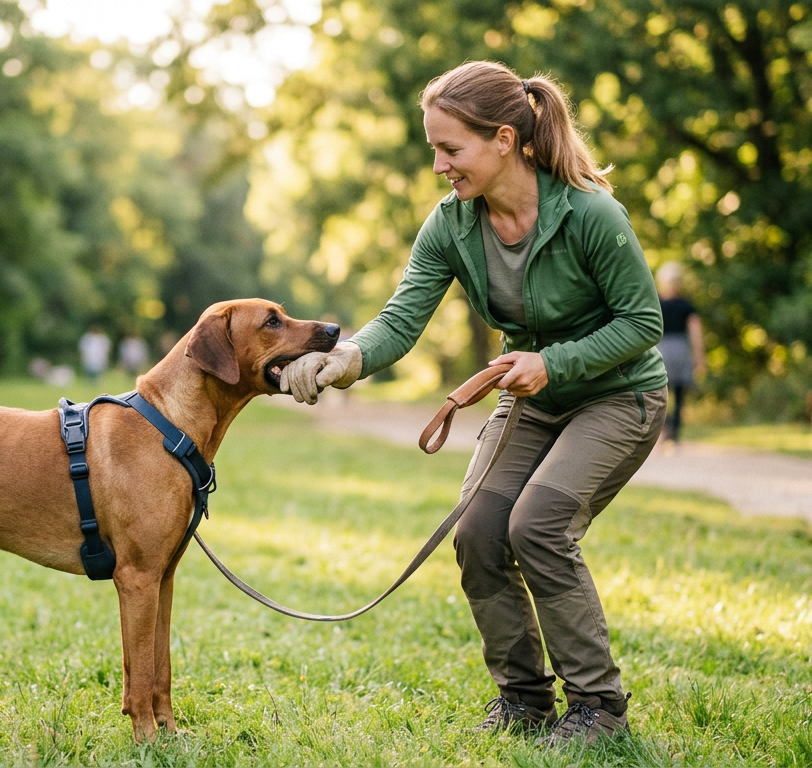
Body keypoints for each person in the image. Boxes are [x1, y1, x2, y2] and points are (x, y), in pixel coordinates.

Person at [279, 61, 667, 747]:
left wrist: (554, 362)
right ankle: (523, 700)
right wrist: (342, 361)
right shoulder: (452, 225)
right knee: (479, 531)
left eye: (450, 148)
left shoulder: (590, 215)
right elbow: (402, 319)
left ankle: (599, 710)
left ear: (504, 141)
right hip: (534, 398)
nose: (438, 165)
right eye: (434, 148)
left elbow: (642, 324)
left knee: (539, 524)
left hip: (619, 395)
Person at [655, 262, 706, 442]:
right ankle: (673, 432)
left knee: (661, 392)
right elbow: (695, 332)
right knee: (678, 393)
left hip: (661, 349)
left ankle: (666, 428)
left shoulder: (655, 303)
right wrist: (699, 356)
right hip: (680, 349)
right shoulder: (686, 305)